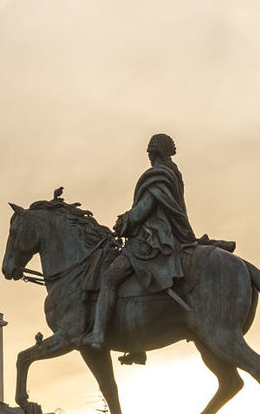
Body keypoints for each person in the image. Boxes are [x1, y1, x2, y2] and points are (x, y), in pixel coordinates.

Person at [84, 133, 196, 350]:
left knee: (109, 278)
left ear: (155, 151)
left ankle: (97, 334)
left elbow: (144, 209)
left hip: (152, 239)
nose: (147, 154)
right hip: (165, 234)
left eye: (149, 150)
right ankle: (135, 347)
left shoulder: (158, 175)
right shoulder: (173, 173)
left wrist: (125, 221)